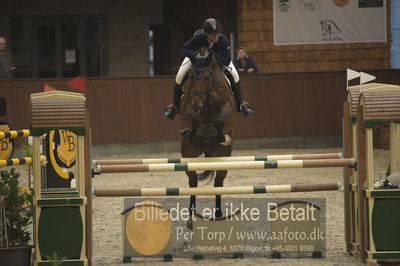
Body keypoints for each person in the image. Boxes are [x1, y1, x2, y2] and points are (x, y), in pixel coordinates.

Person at [164, 18, 253, 120]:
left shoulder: (223, 40)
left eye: (217, 34)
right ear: (206, 34)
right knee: (179, 76)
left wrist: (213, 56)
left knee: (235, 76)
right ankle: (174, 107)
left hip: (218, 62)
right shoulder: (199, 37)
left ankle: (241, 104)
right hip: (196, 60)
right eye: (213, 35)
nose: (216, 37)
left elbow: (227, 60)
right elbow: (184, 49)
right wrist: (194, 56)